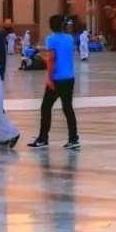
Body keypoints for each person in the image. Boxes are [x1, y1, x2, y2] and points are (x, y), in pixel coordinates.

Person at [31, 21, 81, 150]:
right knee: (68, 108)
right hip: (69, 78)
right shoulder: (69, 38)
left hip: (57, 78)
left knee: (46, 108)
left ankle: (43, 138)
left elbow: (51, 58)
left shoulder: (51, 39)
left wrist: (49, 77)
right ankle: (73, 138)